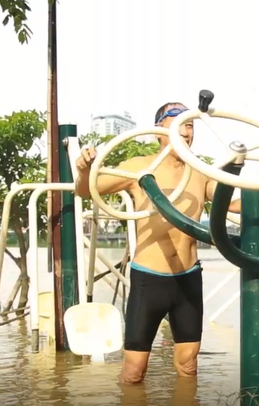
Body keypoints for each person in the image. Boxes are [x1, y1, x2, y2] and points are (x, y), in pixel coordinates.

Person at [75, 102, 242, 384]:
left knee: (189, 367)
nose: (186, 130)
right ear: (158, 131)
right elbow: (87, 190)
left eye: (190, 125)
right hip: (149, 280)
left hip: (188, 279)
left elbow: (230, 204)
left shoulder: (200, 170)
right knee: (134, 371)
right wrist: (83, 170)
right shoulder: (139, 167)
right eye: (178, 123)